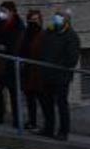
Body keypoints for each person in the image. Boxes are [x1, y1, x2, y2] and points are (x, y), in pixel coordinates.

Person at [39, 8, 81, 140]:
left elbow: (72, 59)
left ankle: (63, 132)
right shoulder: (49, 32)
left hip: (61, 76)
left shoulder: (71, 36)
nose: (57, 18)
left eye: (61, 16)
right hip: (47, 74)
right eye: (56, 16)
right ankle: (48, 128)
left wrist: (57, 66)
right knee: (46, 102)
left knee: (61, 103)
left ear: (67, 19)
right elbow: (42, 49)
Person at [0, 1, 24, 127]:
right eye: (1, 11)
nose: (2, 14)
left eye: (4, 11)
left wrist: (4, 45)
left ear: (12, 12)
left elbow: (16, 42)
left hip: (11, 61)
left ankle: (17, 120)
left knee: (13, 92)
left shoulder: (18, 24)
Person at [20, 9, 46, 130]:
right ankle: (32, 121)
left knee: (42, 98)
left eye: (36, 20)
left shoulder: (43, 34)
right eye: (31, 20)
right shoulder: (26, 34)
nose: (33, 22)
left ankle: (46, 125)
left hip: (39, 71)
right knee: (30, 97)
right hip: (28, 69)